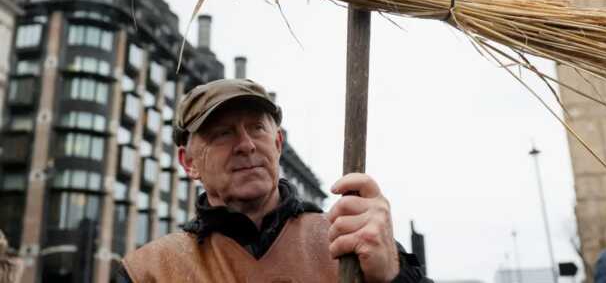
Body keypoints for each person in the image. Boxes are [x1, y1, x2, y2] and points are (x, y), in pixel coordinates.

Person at [120, 78, 430, 282]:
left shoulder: (353, 240)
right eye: (223, 133)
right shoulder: (149, 271)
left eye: (256, 128)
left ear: (278, 144)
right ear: (189, 162)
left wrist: (393, 275)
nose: (246, 144)